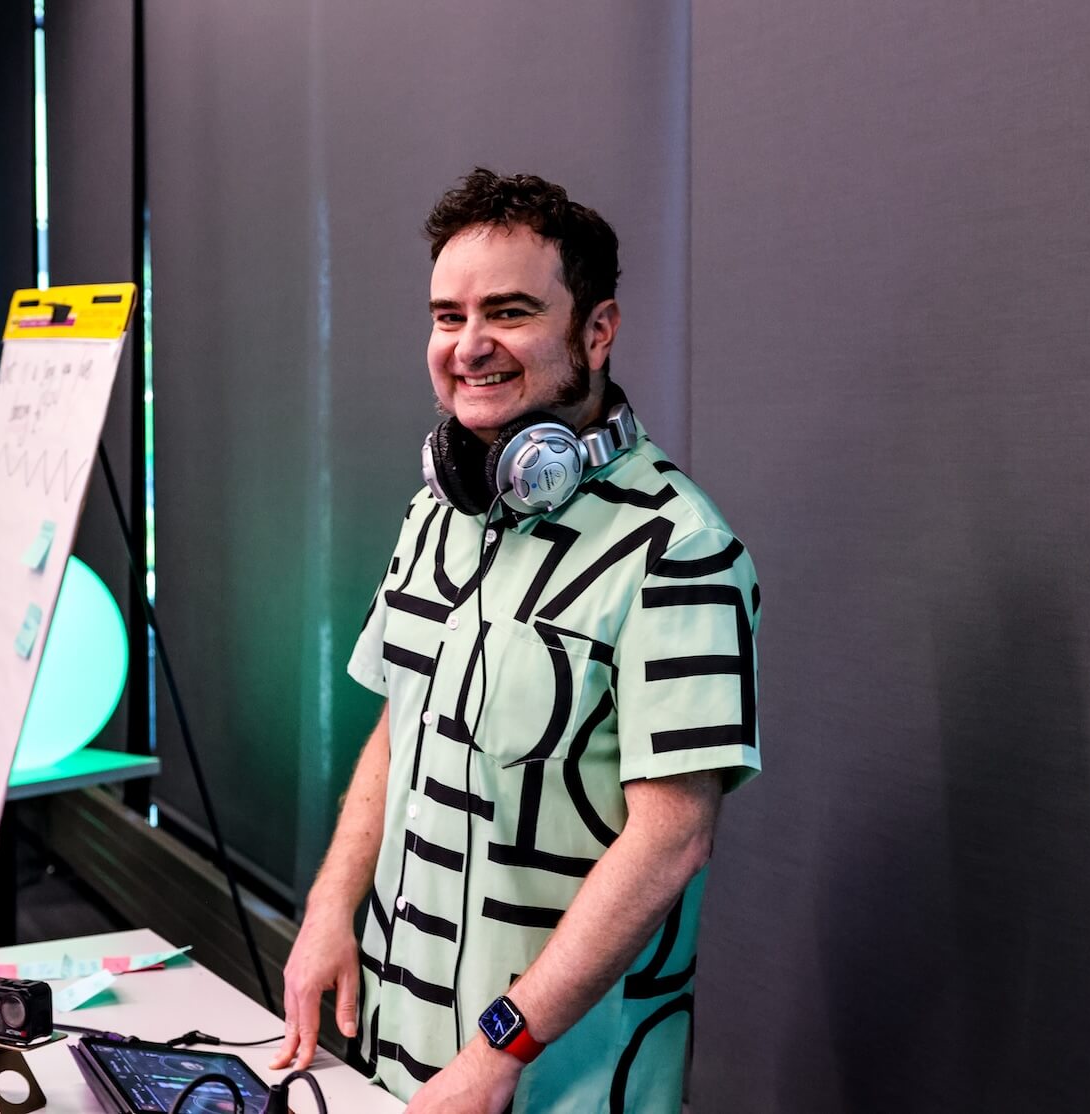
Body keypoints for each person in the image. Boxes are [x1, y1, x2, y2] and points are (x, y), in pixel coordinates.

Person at [273, 170, 762, 1112]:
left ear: (597, 330)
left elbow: (672, 840)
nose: (469, 346)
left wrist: (499, 1052)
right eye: (447, 317)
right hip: (394, 1054)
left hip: (552, 1080)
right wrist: (331, 906)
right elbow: (399, 727)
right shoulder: (437, 513)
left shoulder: (680, 548)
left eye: (508, 312)